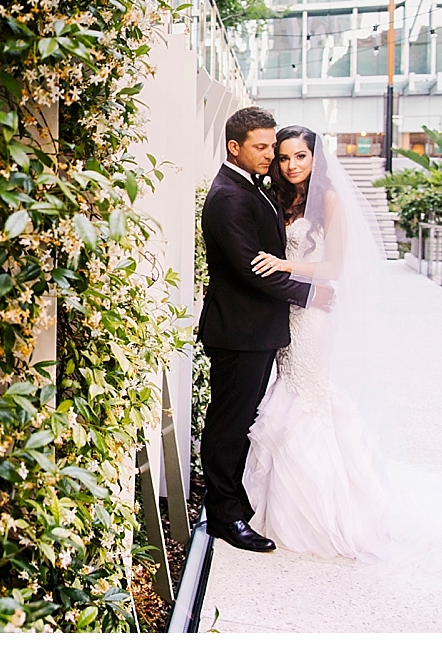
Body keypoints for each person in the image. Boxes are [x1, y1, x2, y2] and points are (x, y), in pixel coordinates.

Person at [242, 125, 442, 561]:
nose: (291, 165)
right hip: (288, 310)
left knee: (308, 395)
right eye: (284, 158)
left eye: (300, 156)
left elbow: (333, 265)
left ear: (316, 158)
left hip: (315, 315)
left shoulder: (330, 202)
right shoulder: (284, 199)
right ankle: (281, 498)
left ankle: (324, 507)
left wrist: (283, 263)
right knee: (291, 389)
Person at [196, 107, 332, 553]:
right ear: (234, 147)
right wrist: (311, 296)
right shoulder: (229, 197)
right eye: (262, 147)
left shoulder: (253, 187)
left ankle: (234, 503)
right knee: (227, 426)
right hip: (239, 331)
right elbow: (255, 272)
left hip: (256, 330)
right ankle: (224, 518)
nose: (271, 156)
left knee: (241, 421)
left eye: (272, 146)